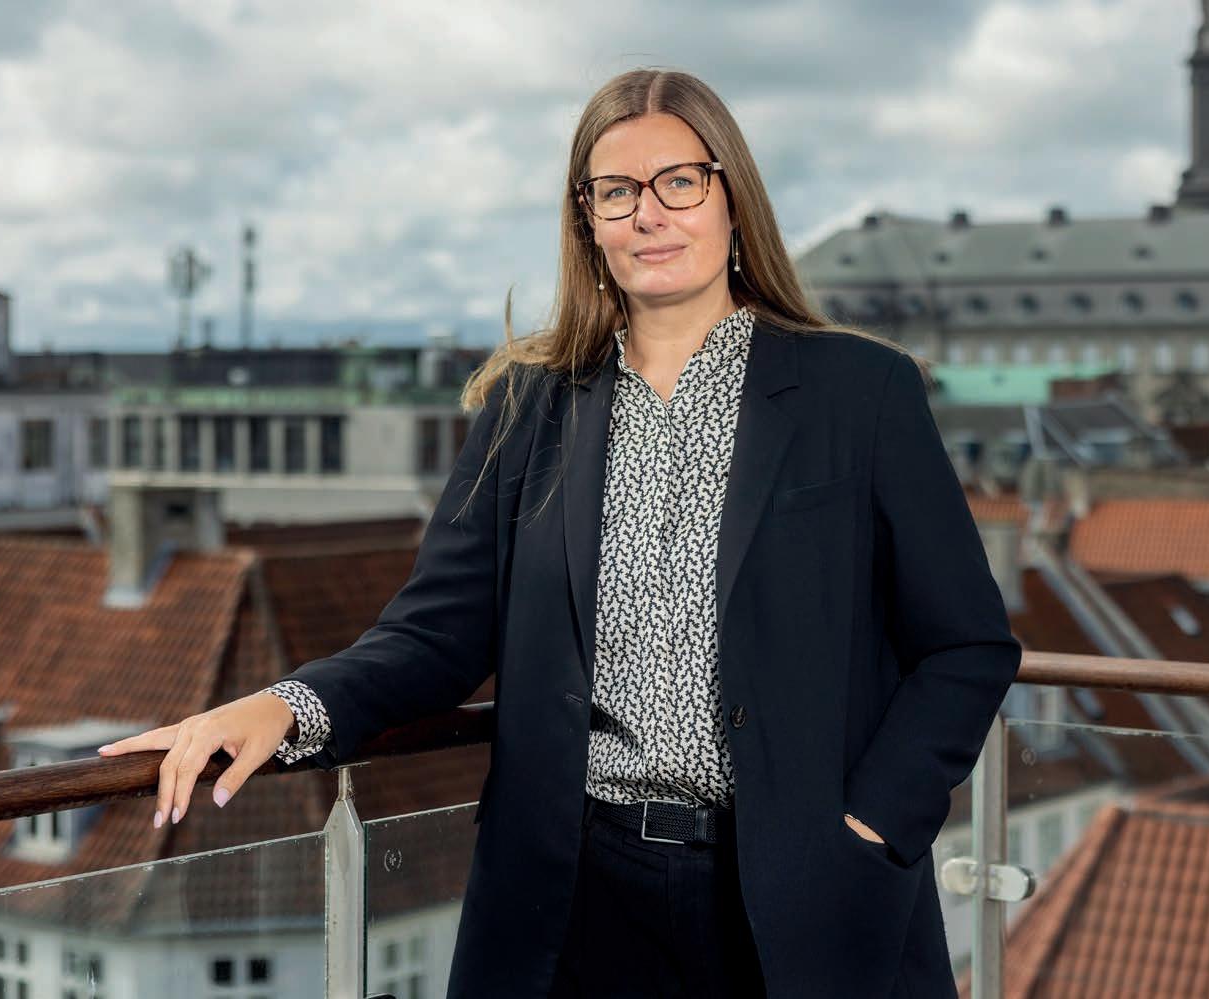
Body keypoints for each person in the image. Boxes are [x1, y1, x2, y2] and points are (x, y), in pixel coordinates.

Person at [99, 68, 1022, 998]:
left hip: (802, 890)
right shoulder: (526, 406)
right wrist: (287, 706)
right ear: (587, 221)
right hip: (576, 893)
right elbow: (433, 634)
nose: (648, 214)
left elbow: (966, 644)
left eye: (679, 181)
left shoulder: (858, 392)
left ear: (732, 197)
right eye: (615, 192)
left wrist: (872, 822)